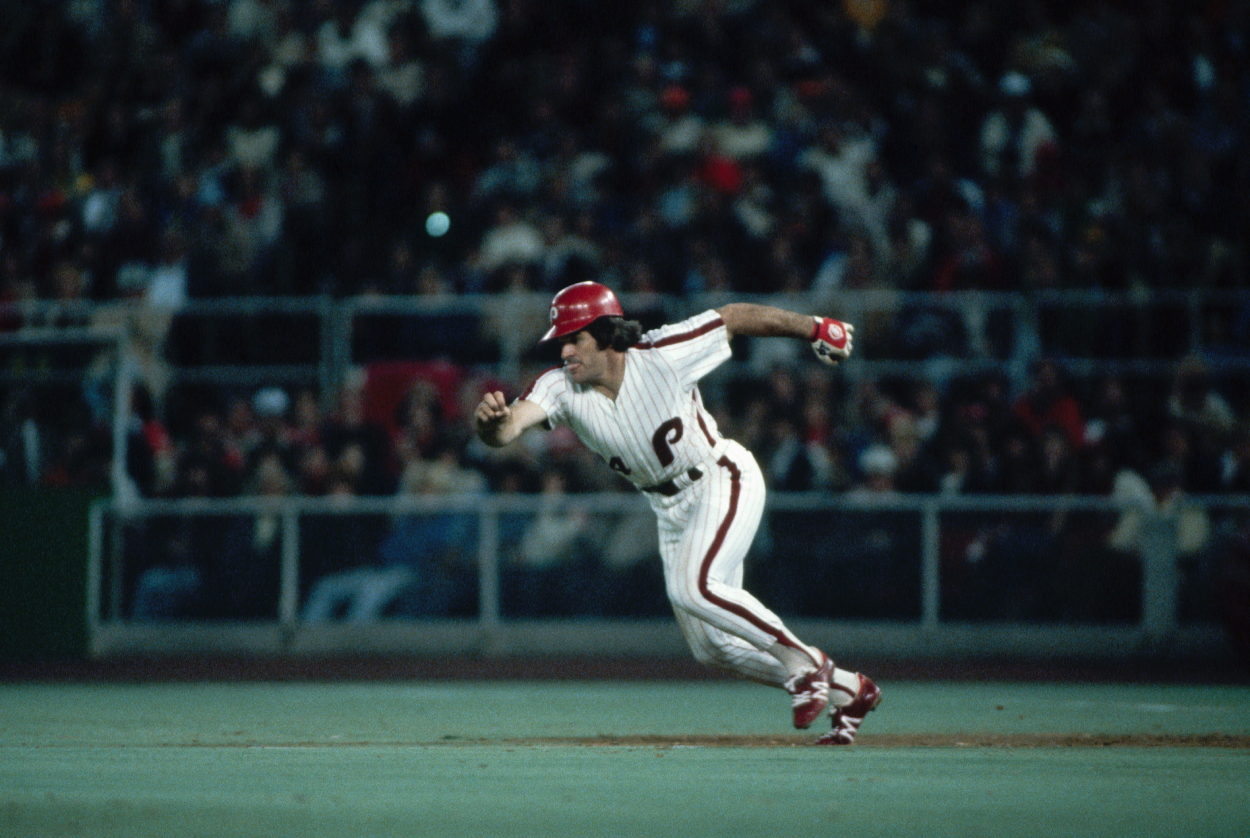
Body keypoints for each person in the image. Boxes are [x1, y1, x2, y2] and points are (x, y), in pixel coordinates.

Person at [472, 281, 881, 745]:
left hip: (719, 477)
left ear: (606, 333)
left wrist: (814, 328)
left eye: (574, 338)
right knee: (710, 648)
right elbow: (511, 427)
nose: (564, 350)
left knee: (695, 586)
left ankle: (807, 666)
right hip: (668, 508)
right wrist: (493, 427)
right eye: (560, 341)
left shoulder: (662, 352)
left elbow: (734, 315)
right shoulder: (559, 387)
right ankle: (850, 688)